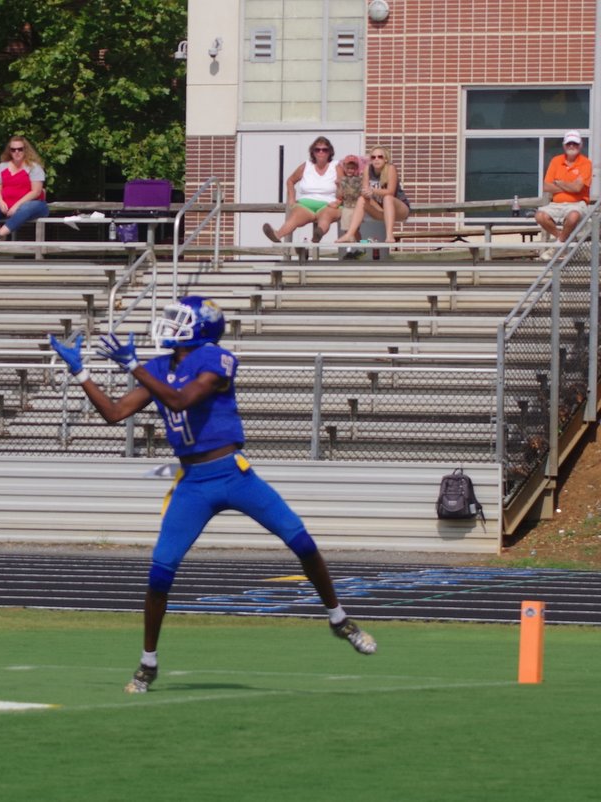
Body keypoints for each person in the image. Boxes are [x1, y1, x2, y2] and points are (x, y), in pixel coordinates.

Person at [48, 297, 377, 693]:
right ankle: (148, 663)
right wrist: (81, 372)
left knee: (301, 541)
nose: (169, 325)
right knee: (160, 571)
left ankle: (339, 619)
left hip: (233, 473)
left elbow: (181, 399)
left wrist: (133, 365)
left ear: (200, 328)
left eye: (179, 320)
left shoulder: (216, 359)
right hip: (193, 482)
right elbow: (115, 413)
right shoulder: (158, 367)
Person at [262, 136, 342, 244]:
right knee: (295, 216)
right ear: (313, 152)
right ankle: (277, 235)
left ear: (330, 152)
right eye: (317, 150)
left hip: (328, 204)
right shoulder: (306, 165)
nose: (321, 152)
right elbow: (290, 181)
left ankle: (318, 234)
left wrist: (338, 201)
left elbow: (344, 185)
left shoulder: (336, 166)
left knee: (326, 216)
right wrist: (291, 199)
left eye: (324, 150)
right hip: (306, 204)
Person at [535, 130, 593, 260]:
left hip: (577, 204)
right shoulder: (556, 161)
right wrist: (570, 186)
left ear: (580, 145)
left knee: (573, 216)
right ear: (564, 145)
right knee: (539, 216)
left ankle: (557, 247)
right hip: (556, 204)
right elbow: (546, 186)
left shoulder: (586, 163)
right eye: (569, 143)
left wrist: (559, 183)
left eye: (575, 143)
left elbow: (578, 188)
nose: (571, 146)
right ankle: (564, 242)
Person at [336, 145, 411, 244]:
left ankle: (389, 235)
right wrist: (365, 193)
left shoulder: (390, 168)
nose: (376, 159)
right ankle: (349, 234)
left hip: (398, 209)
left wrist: (373, 191)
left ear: (385, 159)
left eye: (380, 157)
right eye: (373, 157)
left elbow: (391, 191)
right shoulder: (368, 169)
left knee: (388, 198)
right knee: (362, 199)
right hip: (380, 210)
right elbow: (365, 190)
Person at [0, 135, 49, 240]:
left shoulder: (34, 167)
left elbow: (36, 191)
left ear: (25, 150)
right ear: (9, 151)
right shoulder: (3, 166)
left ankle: (0, 235)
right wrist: (0, 202)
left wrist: (17, 205)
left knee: (25, 208)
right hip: (8, 203)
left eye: (20, 149)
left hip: (33, 204)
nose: (16, 152)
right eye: (13, 150)